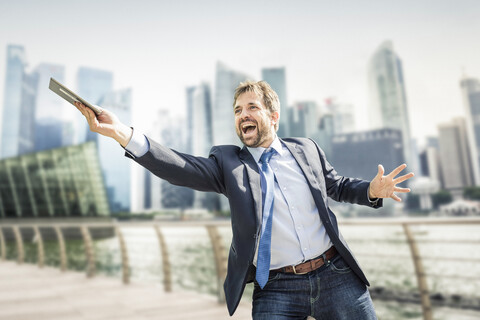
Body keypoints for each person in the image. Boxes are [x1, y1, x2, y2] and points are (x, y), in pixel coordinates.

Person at [75, 80, 414, 320]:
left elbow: (336, 185)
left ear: (273, 116)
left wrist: (371, 190)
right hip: (277, 288)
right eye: (238, 110)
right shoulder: (229, 163)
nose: (243, 114)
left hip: (336, 275)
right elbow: (181, 167)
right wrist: (122, 133)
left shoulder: (306, 148)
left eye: (252, 107)